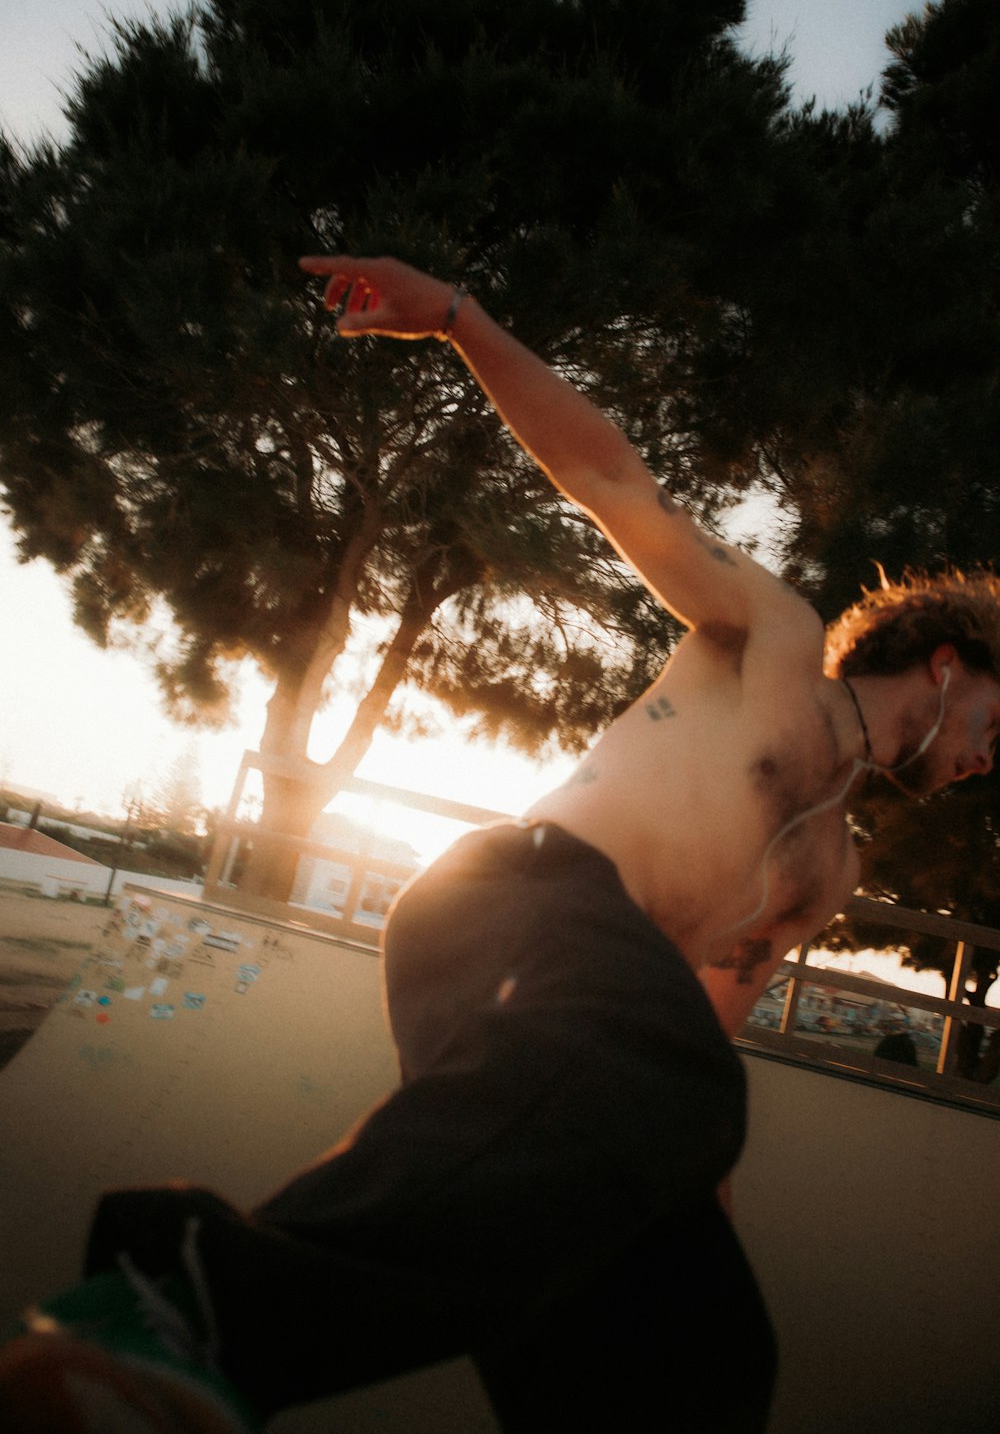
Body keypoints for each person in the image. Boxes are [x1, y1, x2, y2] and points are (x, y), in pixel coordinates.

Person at [2, 256, 999, 1434]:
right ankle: (193, 1306)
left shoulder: (828, 865)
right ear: (948, 665)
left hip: (585, 1031)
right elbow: (606, 476)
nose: (986, 761)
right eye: (997, 725)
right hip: (516, 898)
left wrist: (681, 1194)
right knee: (664, 1083)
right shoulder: (774, 637)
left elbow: (695, 1037)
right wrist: (459, 321)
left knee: (703, 1352)